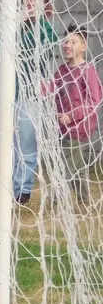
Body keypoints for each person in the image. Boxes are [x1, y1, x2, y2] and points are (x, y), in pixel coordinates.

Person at [0, 0, 58, 207]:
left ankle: (21, 190)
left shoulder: (47, 30)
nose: (30, 2)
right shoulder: (10, 24)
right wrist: (13, 24)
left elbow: (31, 53)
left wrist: (13, 39)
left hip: (29, 92)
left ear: (46, 5)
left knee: (25, 142)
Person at [50, 25, 101, 205]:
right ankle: (84, 201)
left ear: (84, 46)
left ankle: (57, 203)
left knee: (66, 165)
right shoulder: (62, 71)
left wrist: (72, 116)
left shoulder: (87, 70)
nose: (68, 45)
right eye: (65, 41)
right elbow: (51, 89)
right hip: (62, 127)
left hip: (77, 127)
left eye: (73, 41)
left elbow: (93, 102)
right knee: (76, 165)